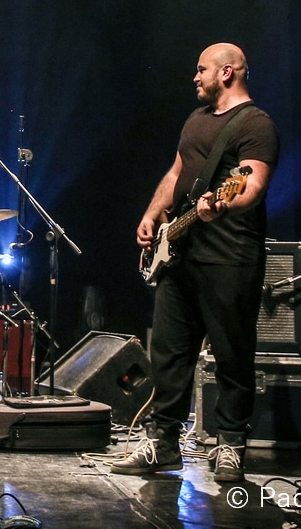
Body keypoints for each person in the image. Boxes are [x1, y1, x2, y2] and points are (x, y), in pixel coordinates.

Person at [112, 42, 278, 483]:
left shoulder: (256, 124)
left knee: (232, 354)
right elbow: (176, 173)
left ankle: (231, 444)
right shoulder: (195, 120)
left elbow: (252, 185)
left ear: (226, 73)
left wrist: (221, 205)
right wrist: (152, 214)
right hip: (180, 256)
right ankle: (163, 442)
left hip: (230, 258)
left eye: (201, 69)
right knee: (168, 353)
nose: (195, 77)